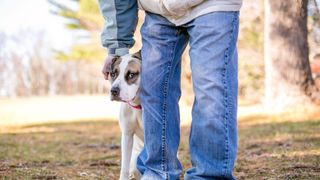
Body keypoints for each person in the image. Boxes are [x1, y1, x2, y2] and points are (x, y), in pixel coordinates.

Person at [98, 0, 242, 179]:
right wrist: (116, 45)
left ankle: (209, 176)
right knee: (153, 91)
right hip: (158, 10)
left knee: (211, 90)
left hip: (213, 5)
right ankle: (158, 173)